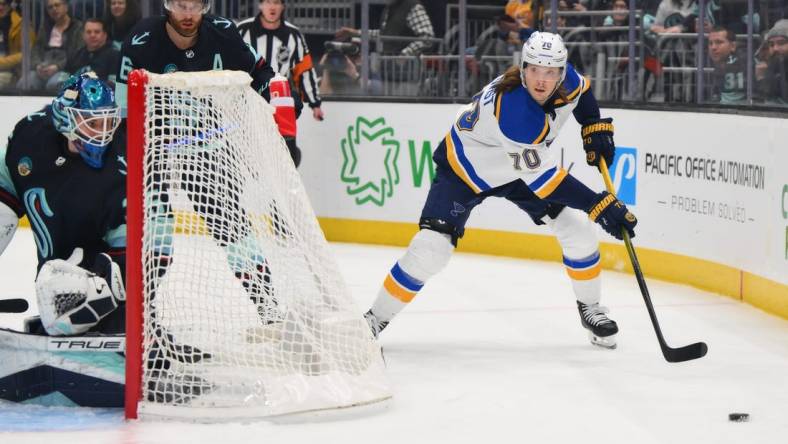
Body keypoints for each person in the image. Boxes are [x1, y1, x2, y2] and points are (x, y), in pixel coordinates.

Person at [364, 32, 637, 350]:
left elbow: (584, 92)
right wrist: (598, 204)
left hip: (516, 170)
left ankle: (590, 309)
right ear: (523, 68)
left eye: (550, 72)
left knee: (576, 231)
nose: (541, 80)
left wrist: (592, 124)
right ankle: (372, 320)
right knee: (431, 248)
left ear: (561, 73)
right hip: (466, 171)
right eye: (534, 69)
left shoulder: (567, 80)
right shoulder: (516, 111)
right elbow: (544, 180)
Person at [115, 0, 281, 334]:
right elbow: (122, 107)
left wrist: (278, 102)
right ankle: (141, 322)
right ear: (167, 5)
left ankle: (270, 309)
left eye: (195, 5)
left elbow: (263, 73)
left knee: (233, 229)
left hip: (208, 145)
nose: (188, 14)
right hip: (152, 148)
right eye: (180, 5)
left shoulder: (224, 34)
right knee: (155, 233)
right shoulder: (141, 39)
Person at [0, 72, 127, 406]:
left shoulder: (120, 165)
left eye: (106, 123)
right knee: (54, 286)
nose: (102, 134)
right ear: (65, 119)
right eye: (91, 123)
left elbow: (134, 252)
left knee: (68, 290)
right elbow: (3, 202)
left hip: (110, 283)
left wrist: (107, 291)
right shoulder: (28, 138)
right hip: (53, 282)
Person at [237, 0, 322, 167]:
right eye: (268, 2)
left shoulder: (293, 34)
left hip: (279, 97)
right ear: (260, 5)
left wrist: (315, 103)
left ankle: (287, 172)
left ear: (283, 6)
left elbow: (303, 68)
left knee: (287, 155)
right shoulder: (242, 30)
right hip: (247, 97)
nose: (272, 7)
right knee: (247, 153)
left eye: (277, 2)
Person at [336, 0, 435, 95]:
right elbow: (385, 34)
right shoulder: (389, 8)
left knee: (404, 106)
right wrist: (356, 33)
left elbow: (428, 37)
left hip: (407, 73)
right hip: (390, 72)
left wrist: (405, 53)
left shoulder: (413, 7)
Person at [18, 0, 84, 92]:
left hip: (65, 69)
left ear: (66, 7)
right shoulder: (45, 27)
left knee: (54, 84)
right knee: (24, 82)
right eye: (50, 7)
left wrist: (57, 66)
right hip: (43, 67)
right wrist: (37, 65)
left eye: (57, 5)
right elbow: (36, 49)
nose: (54, 9)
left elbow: (77, 54)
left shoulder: (77, 27)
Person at [65, 18, 120, 84]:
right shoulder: (76, 55)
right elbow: (66, 80)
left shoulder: (114, 56)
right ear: (83, 35)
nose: (92, 35)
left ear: (105, 35)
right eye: (88, 32)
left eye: (97, 32)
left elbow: (114, 85)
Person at [0, 0, 34, 90]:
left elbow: (26, 54)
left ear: (10, 5)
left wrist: (2, 62)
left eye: (3, 4)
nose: (0, 7)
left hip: (12, 71)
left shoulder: (21, 24)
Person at [707, 25, 746, 104]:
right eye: (710, 43)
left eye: (719, 42)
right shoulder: (712, 64)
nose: (713, 47)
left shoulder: (747, 64)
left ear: (733, 46)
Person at [756, 19, 787, 105]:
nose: (775, 48)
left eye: (781, 43)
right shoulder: (774, 65)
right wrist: (761, 78)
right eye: (771, 44)